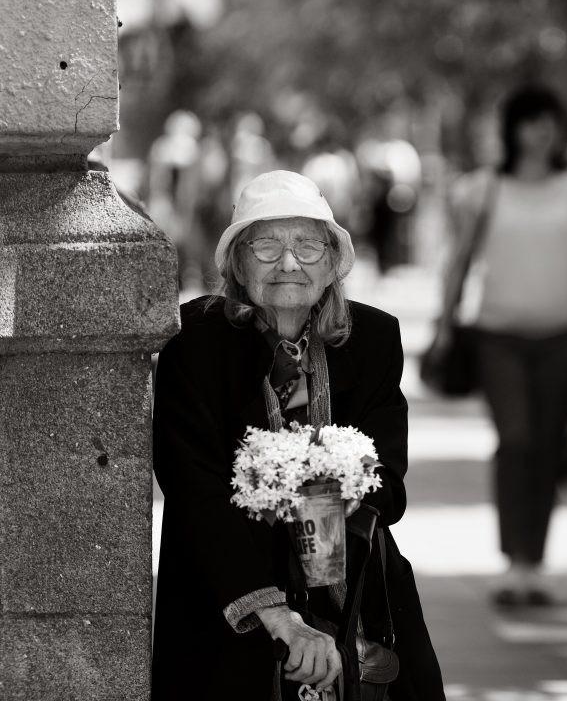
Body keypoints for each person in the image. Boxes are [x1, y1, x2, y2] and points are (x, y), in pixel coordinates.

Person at [151, 170, 445, 700]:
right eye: (266, 245)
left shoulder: (373, 338)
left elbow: (391, 487)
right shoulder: (194, 341)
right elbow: (192, 486)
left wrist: (326, 485)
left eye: (309, 246)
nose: (289, 263)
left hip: (354, 588)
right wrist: (276, 613)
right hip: (229, 589)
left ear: (333, 262)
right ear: (237, 263)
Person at [430, 85, 567, 607]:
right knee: (517, 440)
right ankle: (512, 562)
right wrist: (444, 323)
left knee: (550, 446)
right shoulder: (487, 187)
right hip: (499, 336)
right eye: (530, 120)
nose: (542, 130)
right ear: (513, 128)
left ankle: (534, 563)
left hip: (562, 336)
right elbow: (459, 260)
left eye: (549, 119)